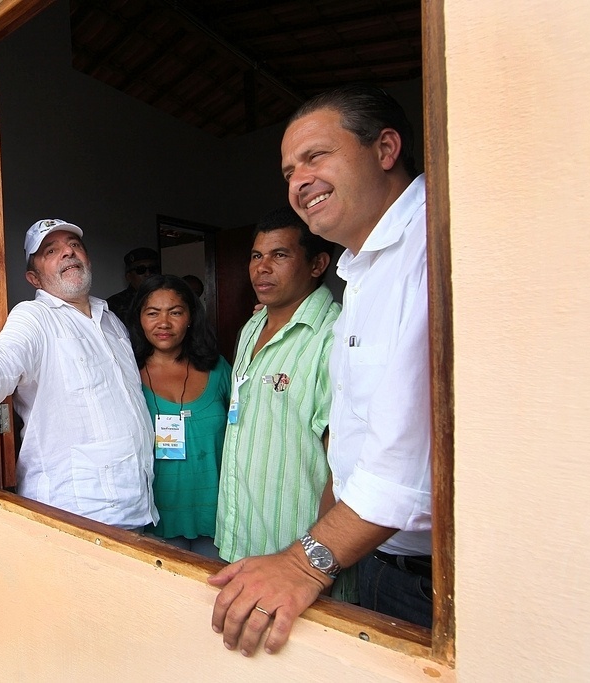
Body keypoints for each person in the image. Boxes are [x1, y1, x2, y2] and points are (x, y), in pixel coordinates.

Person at [209, 84, 432, 654]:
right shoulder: (363, 273)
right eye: (288, 170)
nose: (298, 180)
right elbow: (349, 453)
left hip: (427, 575)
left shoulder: (431, 244)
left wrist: (307, 562)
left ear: (385, 149)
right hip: (370, 560)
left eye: (316, 156)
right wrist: (314, 559)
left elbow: (405, 463)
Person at [0, 219, 158, 530]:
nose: (68, 252)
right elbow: (2, 358)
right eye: (51, 250)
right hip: (78, 515)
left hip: (138, 503)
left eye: (75, 245)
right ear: (34, 278)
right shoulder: (34, 318)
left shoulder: (112, 321)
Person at [214, 207, 344, 586]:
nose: (261, 268)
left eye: (280, 255)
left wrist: (312, 565)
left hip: (295, 563)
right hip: (239, 538)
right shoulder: (253, 325)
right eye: (256, 256)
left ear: (318, 263)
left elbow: (344, 470)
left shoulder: (333, 338)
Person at [128, 274, 231, 558]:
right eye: (152, 313)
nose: (164, 323)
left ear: (190, 318)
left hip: (218, 515)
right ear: (139, 319)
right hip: (154, 518)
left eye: (175, 312)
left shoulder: (218, 368)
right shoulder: (125, 375)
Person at [106, 247, 161, 326]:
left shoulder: (169, 299)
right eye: (141, 270)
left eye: (153, 269)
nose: (148, 274)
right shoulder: (113, 305)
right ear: (129, 276)